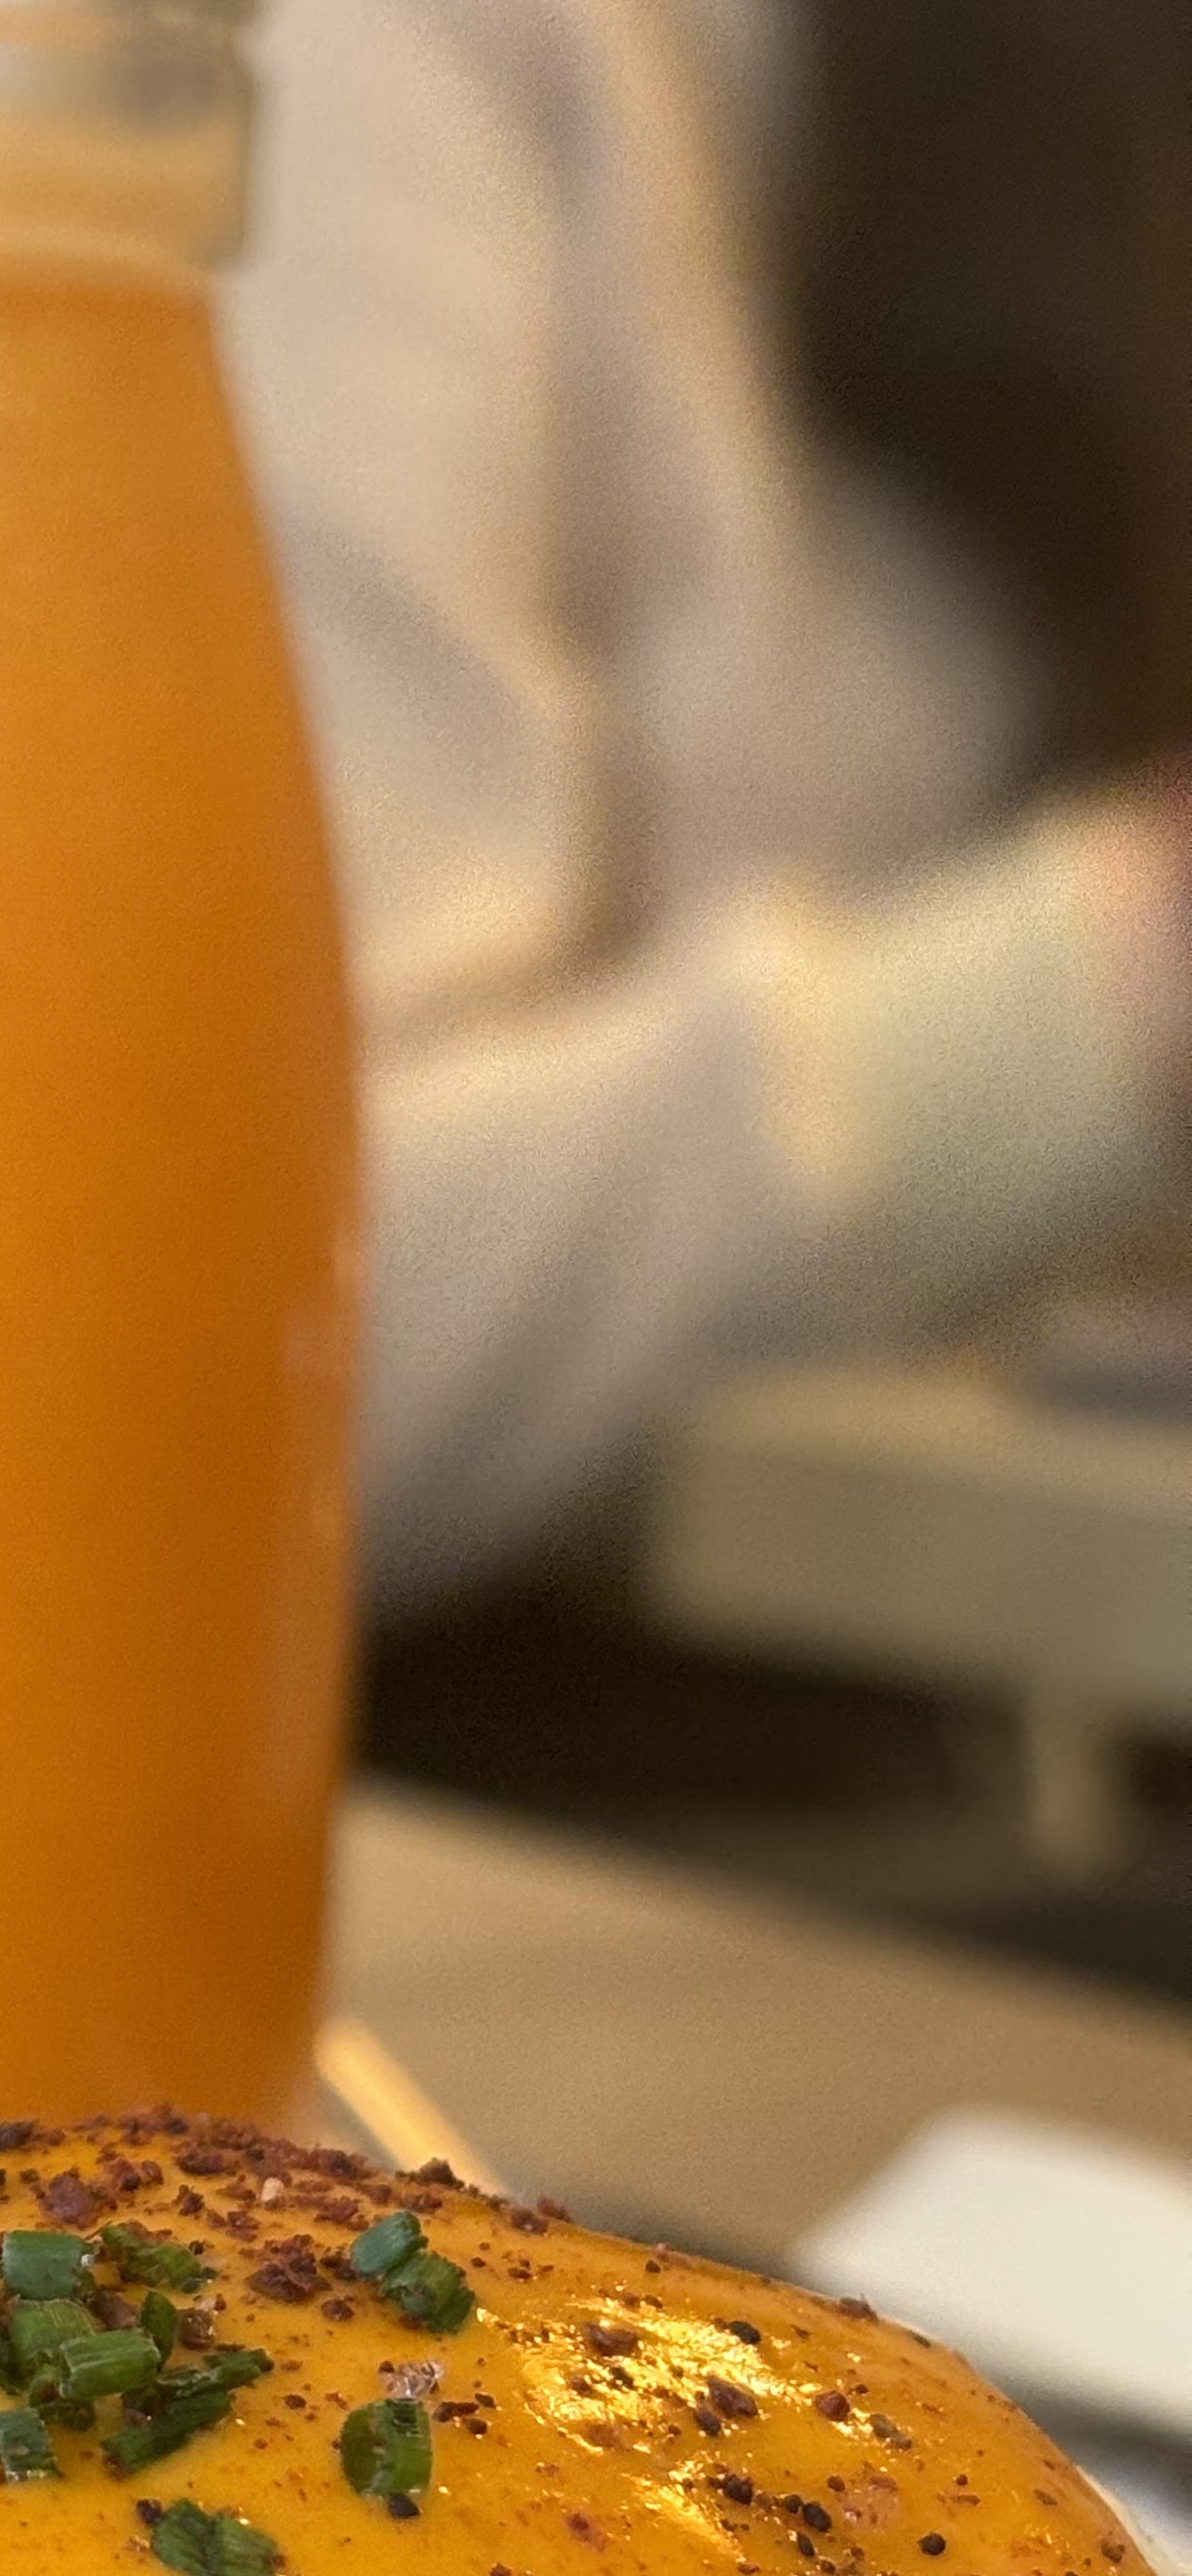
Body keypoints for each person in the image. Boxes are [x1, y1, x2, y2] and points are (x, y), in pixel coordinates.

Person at [221, 0, 1192, 1611]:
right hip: (491, 1716)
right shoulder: (358, 61)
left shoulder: (1040, 108)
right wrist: (1120, 965)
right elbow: (250, 1332)